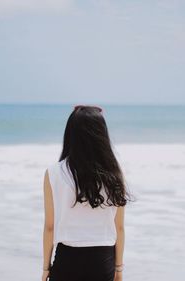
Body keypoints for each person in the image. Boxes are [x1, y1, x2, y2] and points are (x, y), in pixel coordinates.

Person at [42, 104, 134, 281]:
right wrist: (119, 270)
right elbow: (119, 227)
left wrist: (46, 268)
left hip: (67, 259)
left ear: (70, 134)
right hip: (102, 260)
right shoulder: (114, 174)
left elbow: (49, 227)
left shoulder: (53, 173)